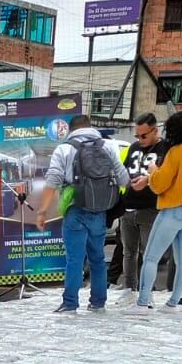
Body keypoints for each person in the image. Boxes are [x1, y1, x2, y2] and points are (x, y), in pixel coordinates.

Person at [32, 114, 129, 313]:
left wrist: (42, 211)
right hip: (100, 210)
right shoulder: (108, 147)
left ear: (71, 130)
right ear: (90, 126)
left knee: (74, 259)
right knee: (98, 258)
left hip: (75, 209)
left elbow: (53, 180)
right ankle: (98, 301)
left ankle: (70, 303)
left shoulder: (65, 148)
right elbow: (123, 179)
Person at [132, 111, 182, 311]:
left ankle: (142, 303)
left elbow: (159, 185)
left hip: (172, 210)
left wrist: (152, 171)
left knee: (151, 257)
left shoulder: (176, 152)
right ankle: (173, 302)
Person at [119, 113, 170, 292]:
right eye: (137, 135)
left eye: (144, 135)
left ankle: (147, 288)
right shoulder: (134, 147)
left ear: (155, 131)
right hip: (128, 207)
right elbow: (124, 170)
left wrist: (148, 179)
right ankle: (129, 287)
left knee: (148, 253)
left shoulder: (165, 148)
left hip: (150, 208)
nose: (140, 139)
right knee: (128, 252)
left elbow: (167, 176)